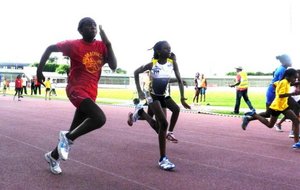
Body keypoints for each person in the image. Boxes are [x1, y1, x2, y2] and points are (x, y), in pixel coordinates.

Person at [37, 17, 117, 175]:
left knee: (75, 129)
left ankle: (53, 157)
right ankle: (66, 138)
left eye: (94, 25)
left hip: (91, 92)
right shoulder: (73, 45)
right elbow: (49, 48)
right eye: (88, 26)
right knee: (99, 118)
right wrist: (39, 70)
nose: (92, 28)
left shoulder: (102, 46)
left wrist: (109, 44)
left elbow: (114, 66)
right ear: (80, 30)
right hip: (76, 89)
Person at [130, 41, 190, 171]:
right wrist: (140, 91)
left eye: (170, 48)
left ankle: (141, 113)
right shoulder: (152, 64)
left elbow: (178, 79)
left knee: (160, 128)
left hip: (162, 96)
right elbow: (135, 72)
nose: (169, 50)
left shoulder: (172, 63)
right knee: (163, 124)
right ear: (158, 51)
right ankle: (163, 159)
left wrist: (182, 98)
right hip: (151, 95)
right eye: (165, 48)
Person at [241, 68, 300, 149]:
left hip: (283, 106)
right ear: (288, 76)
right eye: (294, 78)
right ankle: (254, 114)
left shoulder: (284, 81)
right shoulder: (284, 82)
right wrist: (293, 93)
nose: (295, 80)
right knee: (270, 125)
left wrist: (277, 89)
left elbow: (274, 84)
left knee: (296, 121)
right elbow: (281, 95)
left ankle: (297, 143)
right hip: (277, 107)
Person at [241, 54, 292, 130]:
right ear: (284, 61)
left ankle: (248, 118)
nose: (291, 61)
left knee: (268, 113)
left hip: (271, 92)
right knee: (272, 116)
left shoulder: (280, 68)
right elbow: (280, 84)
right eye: (289, 60)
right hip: (273, 93)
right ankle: (252, 116)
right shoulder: (283, 70)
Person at [274, 69, 300, 136]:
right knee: (294, 113)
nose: (296, 77)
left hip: (294, 98)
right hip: (292, 99)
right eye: (296, 76)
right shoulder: (291, 81)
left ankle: (279, 124)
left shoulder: (292, 81)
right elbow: (275, 85)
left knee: (291, 113)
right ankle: (293, 131)